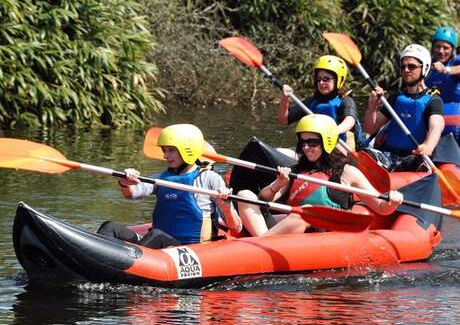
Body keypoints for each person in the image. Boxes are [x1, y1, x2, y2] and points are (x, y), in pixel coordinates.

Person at [237, 114, 403, 237]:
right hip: (289, 235)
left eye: (313, 142)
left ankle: (260, 244)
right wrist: (277, 185)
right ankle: (261, 244)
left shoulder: (347, 172)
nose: (306, 147)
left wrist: (393, 202)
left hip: (324, 237)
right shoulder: (296, 170)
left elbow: (381, 207)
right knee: (244, 195)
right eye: (303, 142)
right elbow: (264, 199)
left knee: (306, 213)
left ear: (327, 141)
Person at [97, 124, 242, 248]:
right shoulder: (162, 178)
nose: (166, 156)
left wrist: (226, 206)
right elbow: (132, 193)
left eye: (171, 150)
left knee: (157, 235)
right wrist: (125, 182)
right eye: (164, 150)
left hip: (190, 248)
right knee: (110, 228)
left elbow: (236, 228)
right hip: (159, 244)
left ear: (188, 150)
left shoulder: (209, 179)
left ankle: (128, 264)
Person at [364, 44, 445, 171]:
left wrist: (428, 146)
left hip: (413, 158)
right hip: (388, 155)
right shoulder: (395, 98)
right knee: (367, 154)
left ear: (425, 68)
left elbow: (436, 127)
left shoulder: (433, 100)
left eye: (412, 66)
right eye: (403, 67)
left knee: (414, 162)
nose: (406, 70)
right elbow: (370, 128)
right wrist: (372, 106)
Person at [278, 55, 365, 150]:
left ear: (338, 80)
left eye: (326, 79)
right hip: (315, 150)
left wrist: (333, 131)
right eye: (319, 79)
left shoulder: (345, 101)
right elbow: (284, 120)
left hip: (342, 149)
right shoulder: (311, 102)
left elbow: (350, 121)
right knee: (281, 151)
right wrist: (285, 99)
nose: (321, 83)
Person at [425, 26, 460, 144]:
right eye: (437, 46)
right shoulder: (427, 65)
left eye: (446, 48)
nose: (441, 51)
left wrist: (446, 70)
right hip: (433, 119)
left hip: (455, 118)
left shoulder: (456, 61)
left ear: (453, 50)